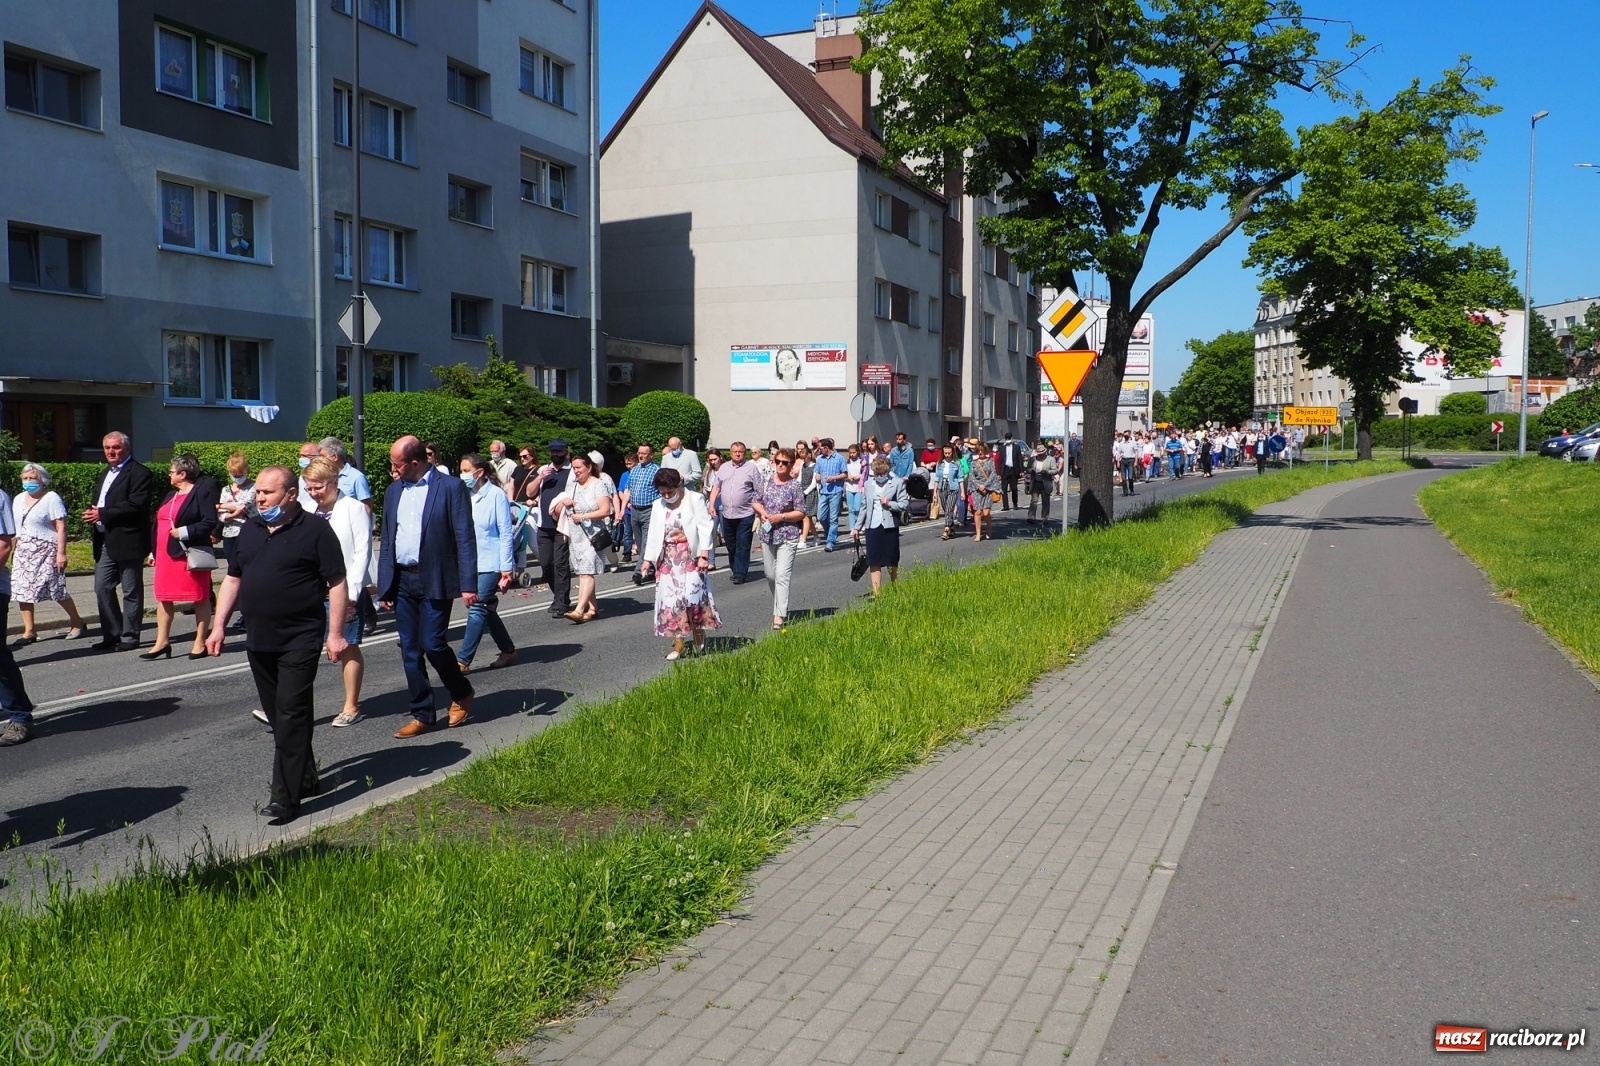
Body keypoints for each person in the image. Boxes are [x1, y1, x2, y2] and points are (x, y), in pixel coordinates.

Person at [206, 466, 347, 823]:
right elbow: (233, 578)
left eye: (268, 493)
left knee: (289, 713)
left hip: (300, 637)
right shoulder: (249, 530)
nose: (260, 498)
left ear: (290, 495)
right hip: (259, 638)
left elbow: (337, 583)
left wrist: (335, 633)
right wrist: (217, 625)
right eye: (259, 493)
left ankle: (285, 797)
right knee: (284, 714)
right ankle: (306, 775)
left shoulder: (315, 530)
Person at [376, 435, 478, 738]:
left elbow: (464, 536)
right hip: (404, 580)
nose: (393, 471)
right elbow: (387, 540)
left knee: (433, 644)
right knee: (409, 650)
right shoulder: (394, 491)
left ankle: (461, 692)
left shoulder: (451, 487)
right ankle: (422, 713)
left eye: (397, 465)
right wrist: (385, 585)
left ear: (416, 462)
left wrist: (468, 583)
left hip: (435, 576)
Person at [300, 457, 372, 726]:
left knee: (347, 646)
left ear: (334, 482)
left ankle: (351, 706)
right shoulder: (306, 509)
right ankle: (290, 706)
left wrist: (352, 592)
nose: (314, 493)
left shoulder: (352, 508)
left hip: (342, 590)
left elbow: (362, 551)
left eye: (318, 487)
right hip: (310, 591)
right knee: (302, 648)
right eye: (309, 488)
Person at [145, 454, 219, 661]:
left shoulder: (201, 494)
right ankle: (162, 642)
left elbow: (209, 521)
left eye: (171, 471)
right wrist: (153, 551)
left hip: (188, 555)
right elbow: (159, 523)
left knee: (199, 597)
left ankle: (199, 642)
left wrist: (185, 531)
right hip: (165, 554)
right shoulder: (170, 494)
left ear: (183, 474)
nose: (169, 474)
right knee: (163, 597)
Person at [639, 468, 719, 660]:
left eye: (670, 491)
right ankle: (678, 643)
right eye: (663, 492)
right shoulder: (658, 505)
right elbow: (654, 534)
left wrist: (704, 556)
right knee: (672, 601)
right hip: (668, 559)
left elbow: (705, 528)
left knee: (692, 597)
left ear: (679, 485)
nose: (667, 496)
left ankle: (699, 633)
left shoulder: (694, 499)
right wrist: (647, 560)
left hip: (690, 556)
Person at [86, 431, 153, 651]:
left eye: (115, 447)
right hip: (105, 539)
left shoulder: (140, 473)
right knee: (102, 587)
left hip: (129, 540)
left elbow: (136, 505)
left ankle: (130, 636)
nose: (111, 452)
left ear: (126, 448)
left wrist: (103, 514)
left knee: (130, 590)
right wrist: (94, 514)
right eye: (107, 448)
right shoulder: (105, 473)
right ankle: (111, 634)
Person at [10, 463, 86, 643]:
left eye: (32, 478)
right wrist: (11, 550)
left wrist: (61, 553)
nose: (28, 482)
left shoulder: (51, 498)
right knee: (22, 590)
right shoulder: (19, 499)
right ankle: (29, 630)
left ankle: (77, 622)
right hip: (23, 551)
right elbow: (15, 528)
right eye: (25, 478)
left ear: (42, 480)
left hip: (46, 551)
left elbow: (61, 527)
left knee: (55, 589)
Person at [456, 454, 518, 673]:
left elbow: (505, 532)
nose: (462, 475)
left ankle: (462, 660)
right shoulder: (463, 494)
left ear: (479, 472)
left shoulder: (496, 495)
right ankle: (508, 649)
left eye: (465, 470)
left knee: (476, 608)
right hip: (469, 561)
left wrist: (506, 567)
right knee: (486, 609)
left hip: (490, 561)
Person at [548, 451, 613, 623]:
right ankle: (593, 608)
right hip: (576, 536)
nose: (576, 471)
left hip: (593, 535)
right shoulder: (572, 487)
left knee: (586, 573)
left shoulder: (598, 484)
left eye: (579, 467)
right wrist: (563, 503)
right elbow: (555, 512)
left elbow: (605, 510)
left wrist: (584, 517)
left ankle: (578, 609)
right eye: (574, 468)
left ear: (589, 467)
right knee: (583, 571)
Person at [752, 447, 806, 630]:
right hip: (768, 534)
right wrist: (763, 513)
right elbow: (755, 500)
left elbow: (800, 512)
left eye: (785, 462)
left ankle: (779, 614)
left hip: (787, 534)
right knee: (770, 575)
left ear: (791, 465)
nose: (781, 465)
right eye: (778, 462)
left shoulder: (794, 486)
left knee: (782, 575)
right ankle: (780, 603)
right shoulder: (766, 481)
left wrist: (782, 517)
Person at [530, 439, 575, 615]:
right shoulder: (543, 470)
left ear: (565, 452)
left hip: (562, 526)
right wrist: (541, 477)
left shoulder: (571, 472)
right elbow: (529, 492)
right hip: (544, 526)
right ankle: (558, 596)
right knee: (546, 564)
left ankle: (562, 603)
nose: (556, 455)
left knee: (560, 564)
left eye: (559, 452)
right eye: (553, 452)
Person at [708, 441, 763, 583]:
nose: (738, 454)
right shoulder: (724, 468)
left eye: (741, 451)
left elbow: (759, 490)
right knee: (731, 544)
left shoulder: (751, 468)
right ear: (730, 453)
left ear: (745, 453)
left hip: (746, 513)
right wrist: (711, 505)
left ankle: (740, 573)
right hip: (727, 513)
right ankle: (735, 568)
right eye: (735, 451)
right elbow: (716, 488)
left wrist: (758, 510)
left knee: (743, 544)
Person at [852, 456, 908, 595]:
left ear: (887, 472)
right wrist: (857, 527)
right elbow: (864, 507)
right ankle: (877, 593)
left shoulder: (897, 482)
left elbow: (904, 504)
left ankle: (895, 588)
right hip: (872, 526)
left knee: (891, 560)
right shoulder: (868, 484)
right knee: (874, 560)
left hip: (889, 526)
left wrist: (890, 504)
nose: (879, 476)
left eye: (882, 473)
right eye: (876, 473)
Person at [620, 443, 660, 575]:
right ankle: (650, 568)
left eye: (644, 453)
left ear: (651, 455)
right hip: (634, 511)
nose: (641, 456)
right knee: (639, 541)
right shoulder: (635, 470)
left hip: (649, 511)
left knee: (646, 543)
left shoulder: (656, 470)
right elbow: (628, 490)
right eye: (639, 453)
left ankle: (639, 572)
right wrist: (622, 509)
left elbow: (661, 493)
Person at [965, 440, 999, 541]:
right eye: (978, 451)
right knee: (977, 512)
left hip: (988, 489)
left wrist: (985, 486)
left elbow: (993, 475)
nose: (980, 453)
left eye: (982, 451)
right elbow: (971, 476)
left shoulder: (991, 461)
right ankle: (978, 534)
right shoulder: (973, 463)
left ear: (986, 451)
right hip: (977, 490)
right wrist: (979, 486)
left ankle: (989, 529)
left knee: (986, 513)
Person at [933, 445, 964, 540]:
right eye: (945, 453)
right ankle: (952, 527)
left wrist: (962, 492)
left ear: (952, 453)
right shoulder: (939, 464)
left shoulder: (957, 463)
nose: (947, 455)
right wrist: (935, 492)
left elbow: (960, 478)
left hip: (953, 487)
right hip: (942, 487)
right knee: (945, 507)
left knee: (949, 509)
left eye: (949, 453)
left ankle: (946, 529)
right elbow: (937, 478)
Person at [1026, 443, 1060, 528]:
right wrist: (1031, 470)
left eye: (1042, 454)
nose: (1040, 455)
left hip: (1045, 482)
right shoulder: (1033, 459)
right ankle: (1031, 517)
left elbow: (1055, 470)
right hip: (1035, 482)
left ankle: (1045, 518)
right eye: (1039, 454)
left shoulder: (1050, 459)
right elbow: (1027, 469)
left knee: (1045, 501)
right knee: (1034, 500)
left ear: (1045, 453)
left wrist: (1047, 472)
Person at [997, 432, 1025, 510]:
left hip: (1013, 470)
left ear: (1012, 438)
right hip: (1005, 470)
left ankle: (1015, 504)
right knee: (1004, 489)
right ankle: (1005, 506)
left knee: (1014, 488)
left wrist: (1021, 470)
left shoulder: (1016, 447)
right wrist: (999, 473)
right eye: (1007, 438)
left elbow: (1020, 459)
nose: (1008, 439)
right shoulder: (1002, 448)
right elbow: (1001, 461)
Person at [844, 443, 866, 534]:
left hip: (858, 488)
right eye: (850, 453)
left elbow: (864, 473)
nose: (852, 454)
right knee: (851, 509)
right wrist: (848, 477)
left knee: (858, 508)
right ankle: (852, 527)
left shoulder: (861, 462)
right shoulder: (847, 462)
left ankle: (861, 524)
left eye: (854, 452)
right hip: (849, 487)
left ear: (857, 452)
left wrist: (859, 476)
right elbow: (844, 473)